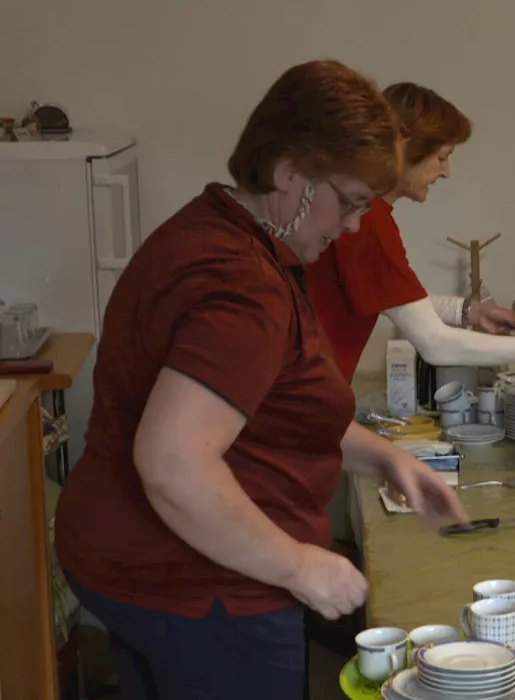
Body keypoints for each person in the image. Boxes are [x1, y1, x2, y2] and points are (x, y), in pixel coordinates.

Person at [54, 60, 467, 700]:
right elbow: (172, 462)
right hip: (203, 589)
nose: (354, 225)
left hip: (126, 564)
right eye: (351, 202)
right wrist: (299, 565)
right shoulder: (241, 284)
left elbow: (273, 412)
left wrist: (385, 456)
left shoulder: (212, 230)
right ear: (289, 173)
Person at [306, 82, 515, 382]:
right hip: (306, 398)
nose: (446, 172)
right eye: (442, 156)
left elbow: (397, 299)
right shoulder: (368, 222)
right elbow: (436, 344)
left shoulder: (363, 213)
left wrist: (469, 312)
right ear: (406, 149)